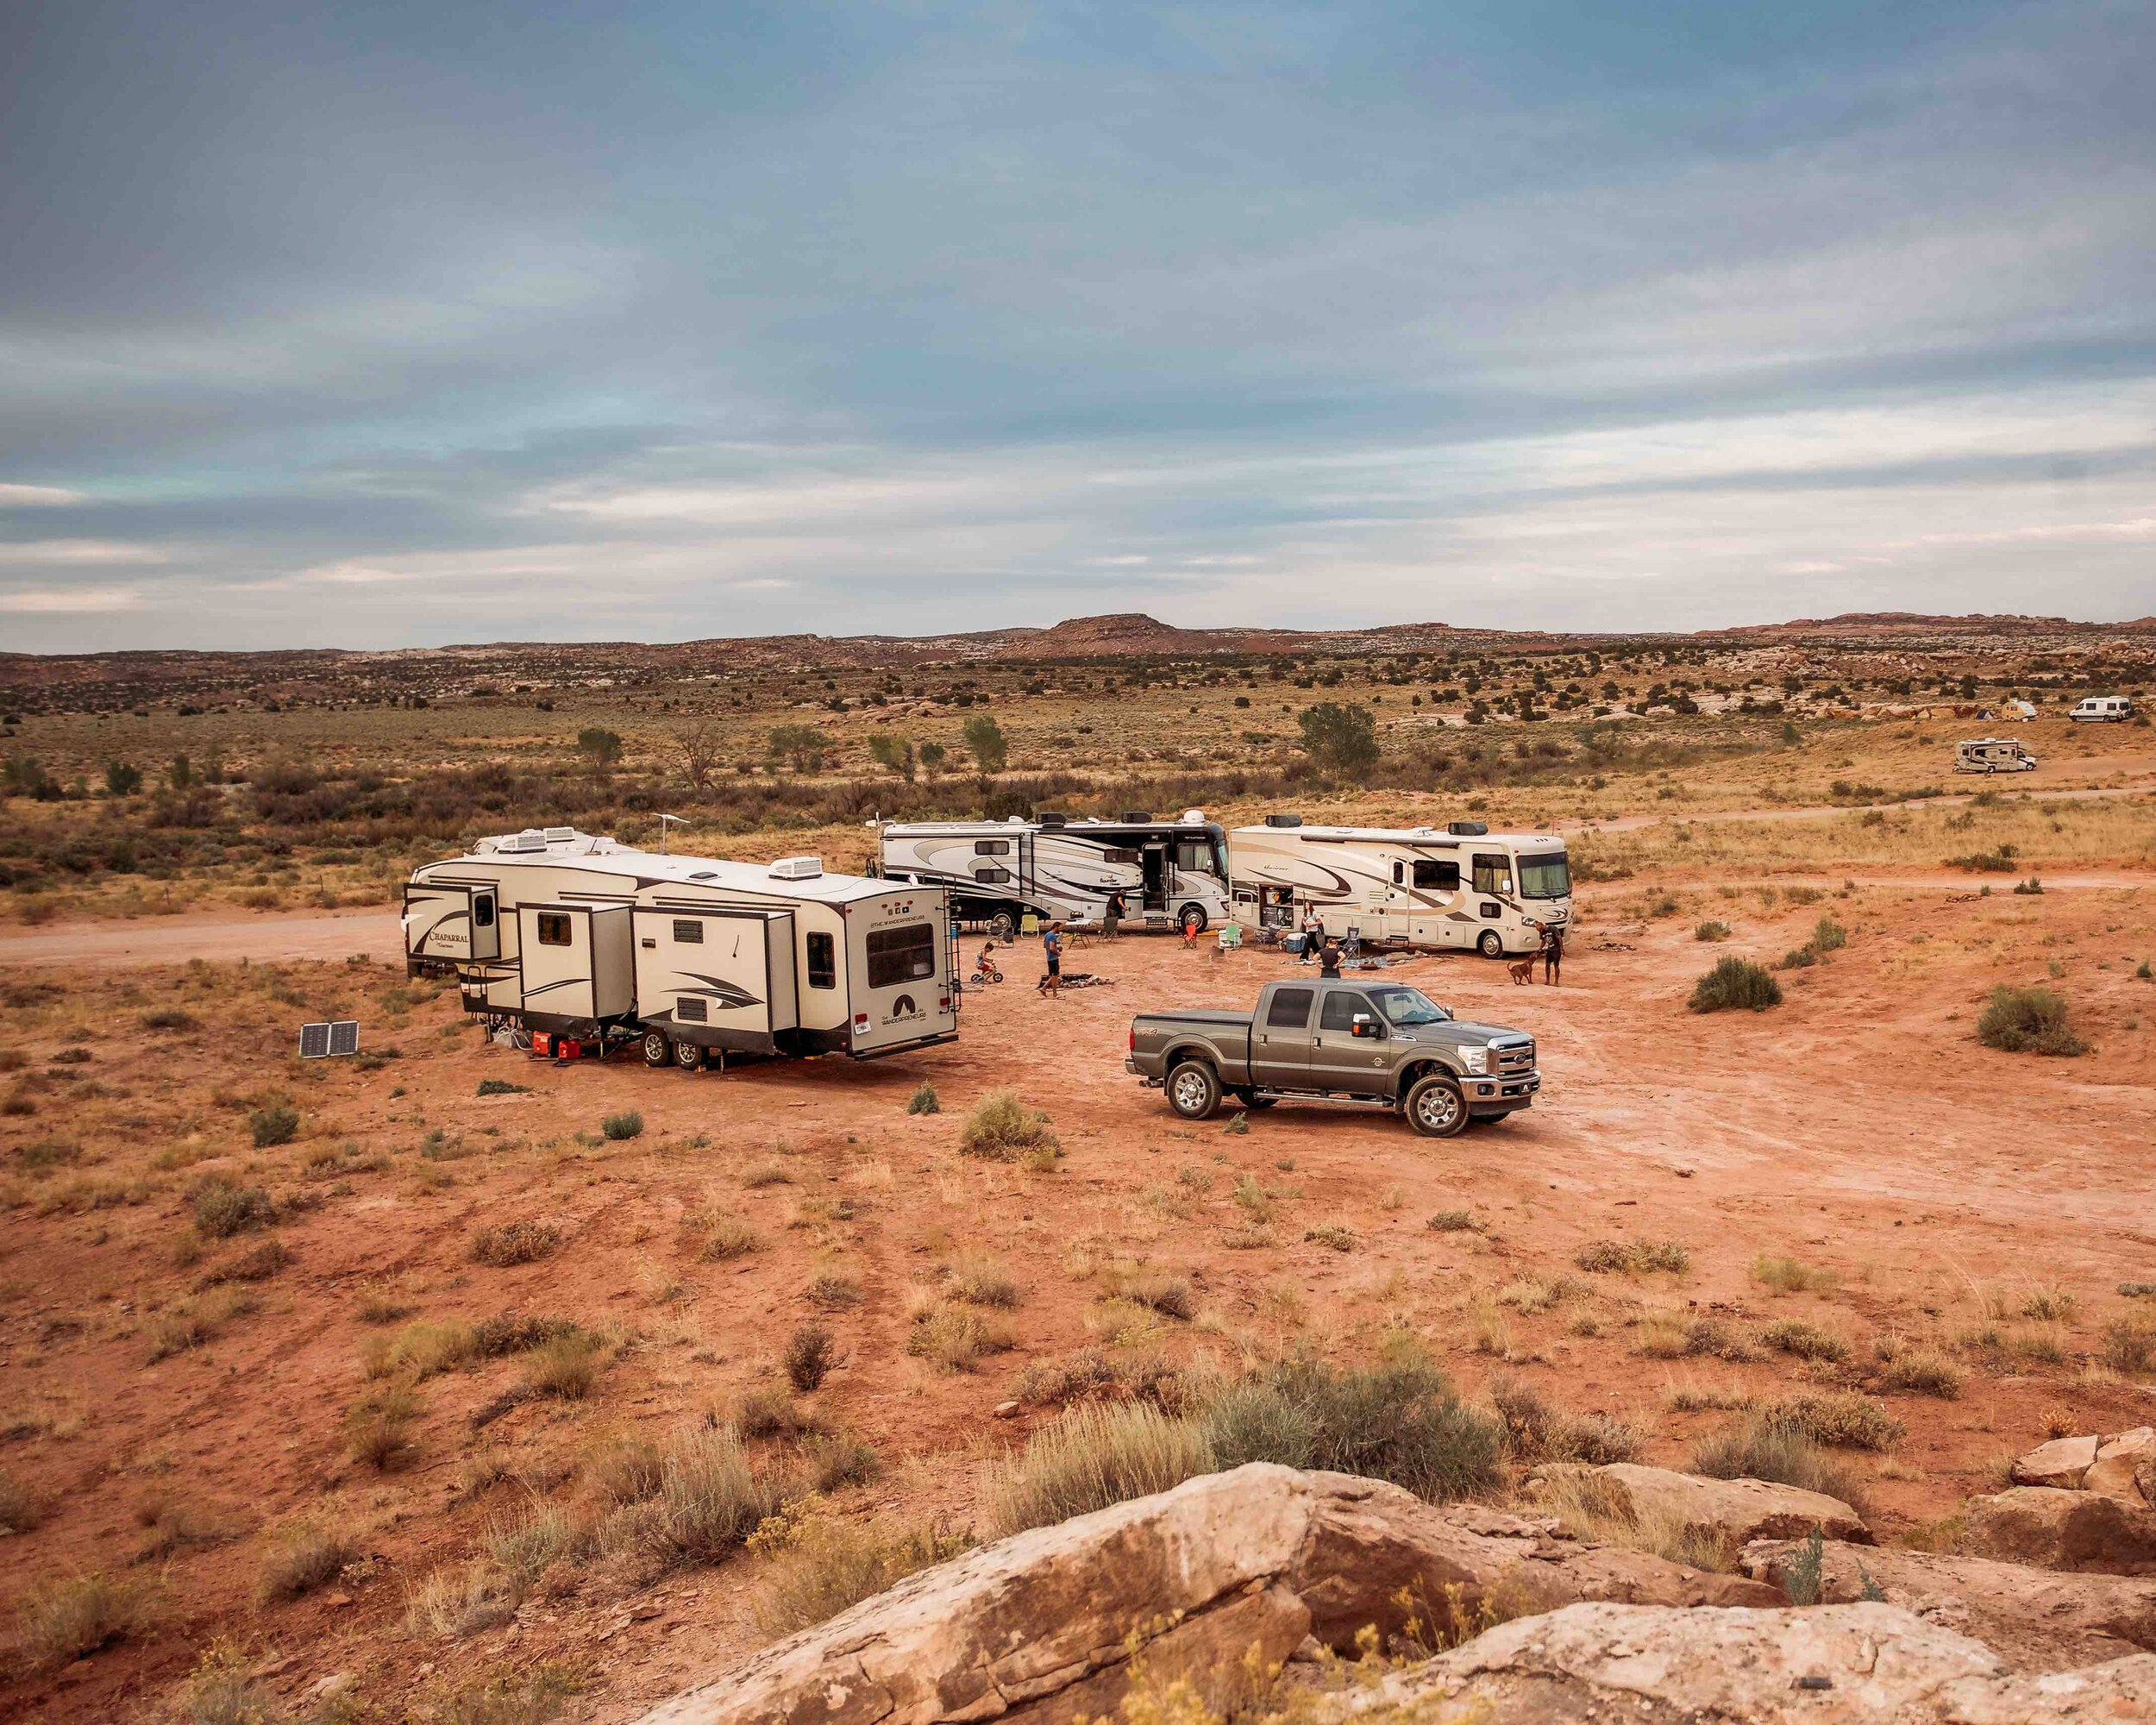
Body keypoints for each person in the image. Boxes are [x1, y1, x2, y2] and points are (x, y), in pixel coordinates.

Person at [1038, 919, 1064, 998]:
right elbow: (1051, 948)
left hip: (1049, 957)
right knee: (1055, 976)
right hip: (1053, 958)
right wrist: (1057, 952)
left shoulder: (1047, 935)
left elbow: (1045, 946)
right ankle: (1054, 994)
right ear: (1056, 927)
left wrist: (1057, 948)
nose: (1061, 930)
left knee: (1054, 976)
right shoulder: (1052, 936)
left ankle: (1044, 988)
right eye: (1060, 928)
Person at [1541, 920, 1564, 986]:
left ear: (1543, 926)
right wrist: (1540, 948)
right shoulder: (1542, 931)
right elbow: (1543, 941)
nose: (1540, 931)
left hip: (1556, 949)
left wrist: (1562, 948)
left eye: (1540, 929)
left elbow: (1559, 938)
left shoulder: (1553, 928)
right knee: (1547, 965)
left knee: (1556, 965)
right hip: (1549, 950)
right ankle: (1547, 980)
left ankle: (1556, 982)